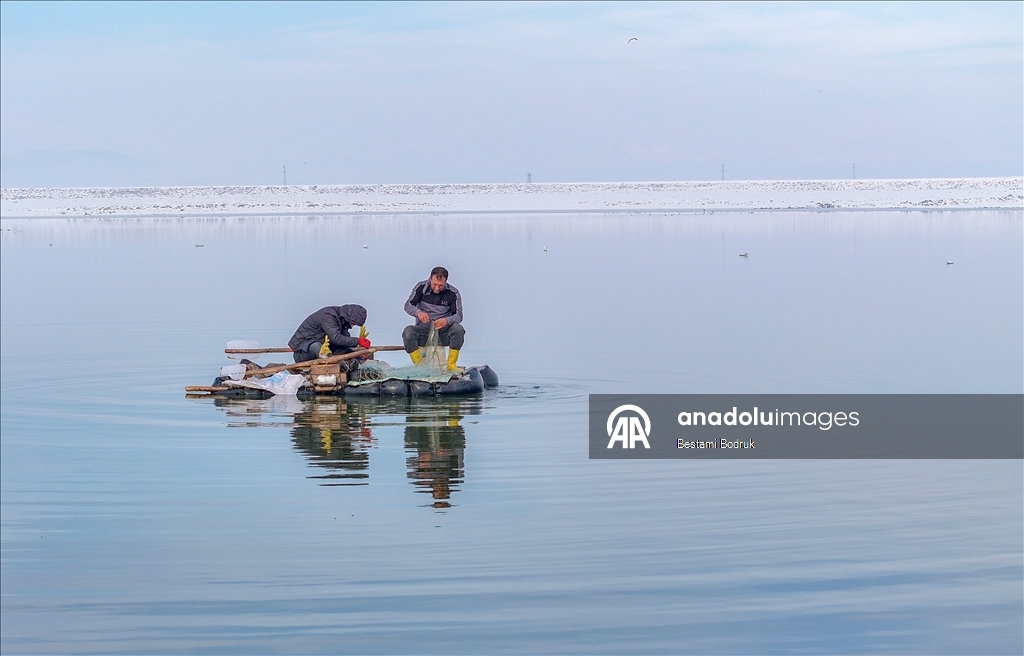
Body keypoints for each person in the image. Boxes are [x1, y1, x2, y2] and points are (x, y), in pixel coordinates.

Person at [403, 266, 465, 370]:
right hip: (423, 332)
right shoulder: (420, 287)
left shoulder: (453, 293)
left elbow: (459, 316)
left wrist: (446, 321)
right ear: (430, 279)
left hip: (443, 333)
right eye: (434, 284)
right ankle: (420, 367)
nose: (437, 288)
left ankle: (451, 365)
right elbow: (407, 306)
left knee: (458, 329)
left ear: (446, 281)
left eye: (440, 285)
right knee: (408, 332)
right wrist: (418, 312)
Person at [288, 304, 370, 363]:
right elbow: (336, 338)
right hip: (302, 352)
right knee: (316, 346)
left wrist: (353, 352)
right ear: (347, 318)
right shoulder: (328, 316)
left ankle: (356, 360)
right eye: (352, 323)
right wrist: (358, 341)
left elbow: (342, 342)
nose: (352, 327)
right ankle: (335, 363)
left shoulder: (340, 320)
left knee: (344, 350)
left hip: (325, 350)